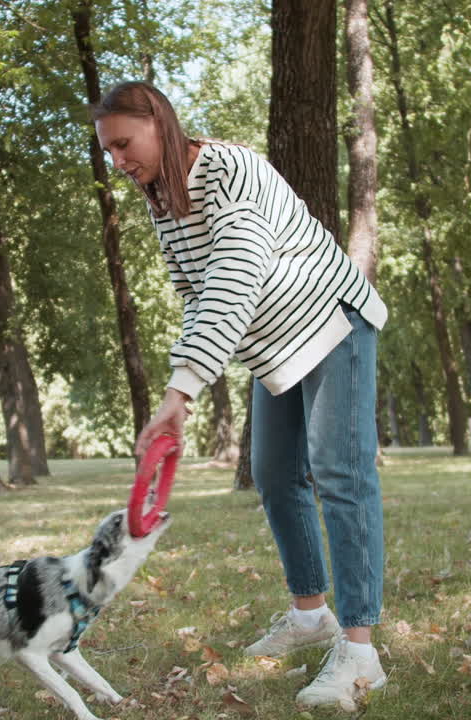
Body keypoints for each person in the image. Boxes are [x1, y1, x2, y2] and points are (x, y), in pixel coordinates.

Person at [92, 81, 389, 709]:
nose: (118, 161)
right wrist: (190, 381)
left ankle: (361, 652)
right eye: (109, 152)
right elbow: (195, 292)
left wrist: (180, 392)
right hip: (270, 347)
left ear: (158, 123)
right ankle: (311, 616)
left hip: (331, 321)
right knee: (274, 474)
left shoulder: (232, 170)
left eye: (124, 144)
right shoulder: (162, 202)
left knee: (341, 474)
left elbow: (235, 273)